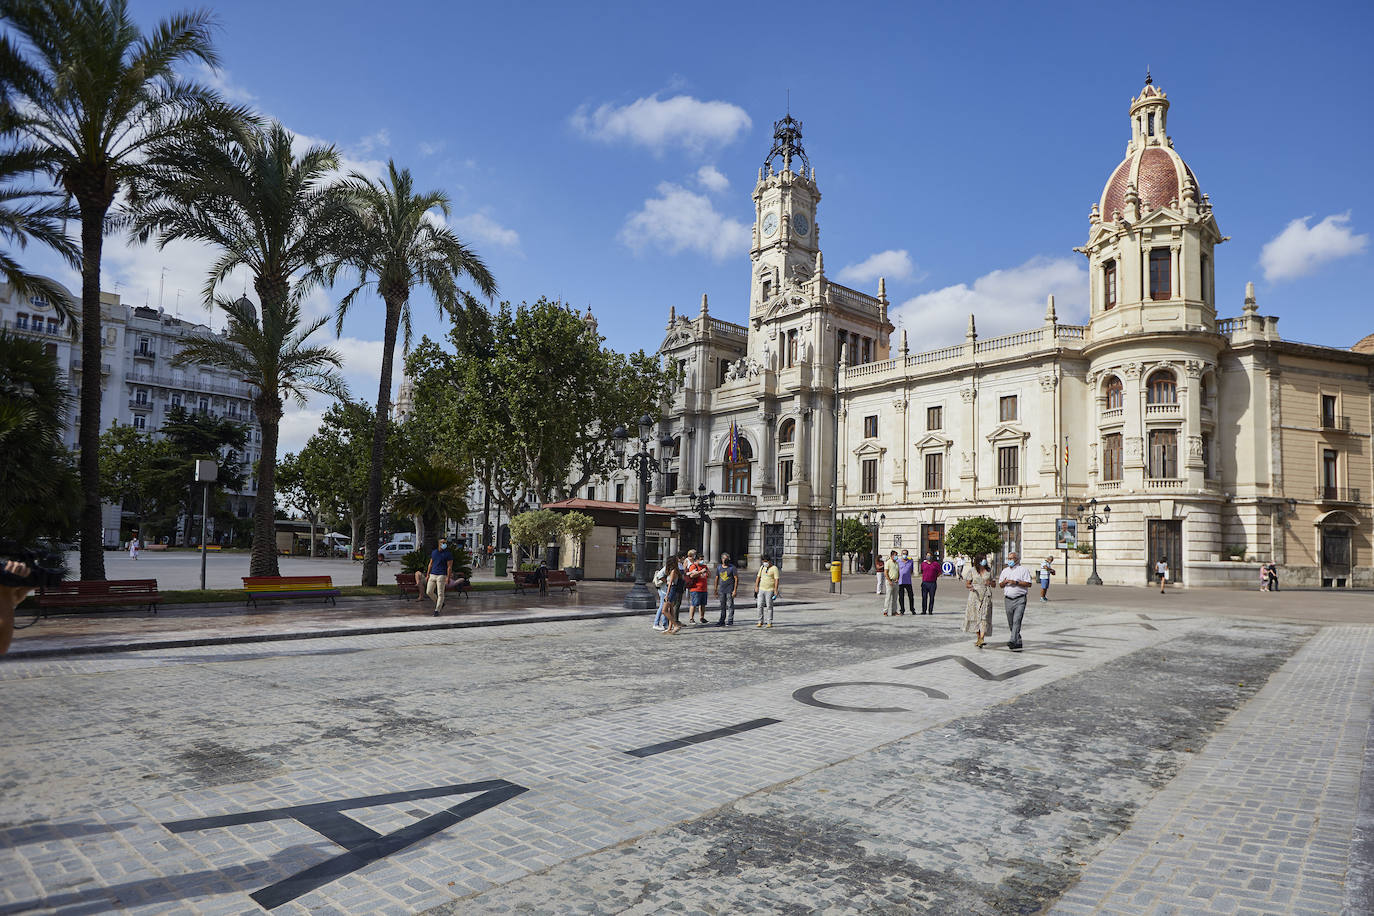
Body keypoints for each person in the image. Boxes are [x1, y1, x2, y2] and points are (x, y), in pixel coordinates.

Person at [997, 551, 1033, 651]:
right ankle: (1018, 639)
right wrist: (1004, 582)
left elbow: (1029, 584)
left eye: (1012, 558)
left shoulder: (1023, 570)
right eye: (1008, 559)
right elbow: (1000, 585)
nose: (1010, 561)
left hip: (1020, 599)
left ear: (1017, 559)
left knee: (1017, 620)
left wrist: (1016, 582)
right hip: (1008, 599)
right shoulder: (1005, 571)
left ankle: (1012, 641)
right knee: (1011, 622)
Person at [963, 556, 994, 648]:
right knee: (976, 617)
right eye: (982, 559)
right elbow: (967, 584)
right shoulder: (972, 571)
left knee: (984, 616)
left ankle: (982, 638)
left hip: (986, 595)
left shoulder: (989, 571)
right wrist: (971, 587)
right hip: (974, 596)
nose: (984, 561)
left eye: (985, 559)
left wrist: (990, 583)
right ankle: (978, 637)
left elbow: (994, 584)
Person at [427, 537, 455, 616]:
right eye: (442, 543)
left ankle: (437, 610)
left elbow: (449, 567)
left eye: (445, 543)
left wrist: (448, 577)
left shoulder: (448, 554)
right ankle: (440, 603)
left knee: (440, 594)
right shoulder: (434, 552)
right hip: (433, 574)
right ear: (439, 543)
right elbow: (430, 563)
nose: (444, 544)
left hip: (441, 575)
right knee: (429, 592)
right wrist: (427, 574)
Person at [683, 549, 710, 624]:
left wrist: (707, 572)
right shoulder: (693, 566)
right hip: (695, 588)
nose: (702, 561)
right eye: (701, 559)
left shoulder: (705, 566)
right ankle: (691, 618)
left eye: (703, 559)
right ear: (697, 560)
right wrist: (700, 572)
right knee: (694, 604)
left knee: (703, 604)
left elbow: (709, 575)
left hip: (704, 588)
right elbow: (691, 575)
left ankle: (702, 617)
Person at [754, 556, 780, 628]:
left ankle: (769, 622)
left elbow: (776, 579)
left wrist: (775, 589)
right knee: (759, 605)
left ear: (769, 561)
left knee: (769, 606)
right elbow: (758, 577)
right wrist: (756, 586)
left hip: (770, 590)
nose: (765, 563)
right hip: (761, 589)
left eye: (766, 561)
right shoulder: (762, 567)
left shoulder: (774, 568)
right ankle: (760, 621)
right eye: (763, 561)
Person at [663, 556, 686, 634]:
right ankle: (670, 628)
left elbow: (670, 583)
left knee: (664, 610)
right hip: (672, 589)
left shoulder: (673, 571)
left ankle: (676, 625)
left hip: (672, 589)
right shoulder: (673, 570)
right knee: (671, 610)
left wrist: (667, 594)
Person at [715, 552, 738, 626]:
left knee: (730, 605)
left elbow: (736, 579)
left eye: (727, 558)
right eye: (724, 558)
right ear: (721, 559)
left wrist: (735, 590)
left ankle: (730, 620)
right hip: (721, 589)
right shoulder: (719, 567)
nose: (725, 560)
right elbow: (716, 578)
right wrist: (715, 589)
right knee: (722, 605)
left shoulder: (732, 567)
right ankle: (722, 620)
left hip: (729, 589)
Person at [652, 561, 671, 630]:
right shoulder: (666, 569)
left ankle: (664, 623)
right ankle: (656, 623)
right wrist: (667, 581)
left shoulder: (669, 568)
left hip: (664, 590)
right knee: (662, 607)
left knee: (664, 607)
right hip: (663, 590)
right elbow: (659, 576)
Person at [896, 550, 915, 615]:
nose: (905, 555)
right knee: (901, 597)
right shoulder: (898, 561)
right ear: (901, 554)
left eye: (906, 554)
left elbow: (911, 570)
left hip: (908, 581)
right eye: (903, 553)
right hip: (900, 581)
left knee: (911, 596)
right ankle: (902, 610)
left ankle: (912, 609)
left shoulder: (910, 561)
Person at [882, 550, 899, 616]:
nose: (896, 556)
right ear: (891, 556)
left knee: (895, 598)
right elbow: (885, 573)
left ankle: (894, 611)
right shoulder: (888, 562)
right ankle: (885, 611)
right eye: (895, 555)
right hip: (890, 581)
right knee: (888, 597)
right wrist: (889, 581)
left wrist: (897, 578)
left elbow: (898, 572)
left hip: (896, 581)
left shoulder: (897, 563)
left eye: (896, 555)